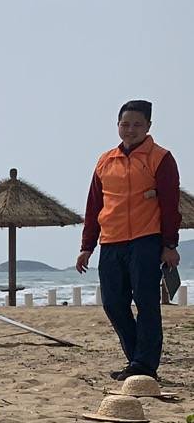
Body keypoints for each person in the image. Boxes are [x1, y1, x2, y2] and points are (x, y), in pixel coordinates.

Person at [76, 99, 181, 380]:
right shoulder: (105, 160)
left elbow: (171, 205)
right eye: (125, 124)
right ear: (117, 125)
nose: (130, 129)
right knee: (112, 303)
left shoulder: (160, 158)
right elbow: (93, 205)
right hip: (111, 242)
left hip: (146, 241)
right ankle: (138, 360)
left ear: (148, 126)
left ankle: (144, 366)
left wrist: (170, 245)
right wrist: (87, 246)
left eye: (137, 124)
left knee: (146, 303)